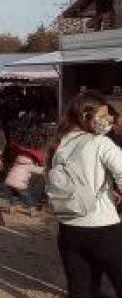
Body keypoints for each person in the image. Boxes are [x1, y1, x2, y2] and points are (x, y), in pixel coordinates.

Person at [50, 92, 122, 297]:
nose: (107, 120)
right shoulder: (100, 143)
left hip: (69, 229)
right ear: (85, 116)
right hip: (104, 229)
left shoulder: (60, 144)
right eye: (102, 115)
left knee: (80, 289)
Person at [4, 150, 44, 216]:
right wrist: (45, 168)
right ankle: (33, 210)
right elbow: (40, 171)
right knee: (27, 196)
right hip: (20, 184)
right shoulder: (29, 166)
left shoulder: (17, 164)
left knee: (14, 194)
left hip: (9, 182)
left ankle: (12, 208)